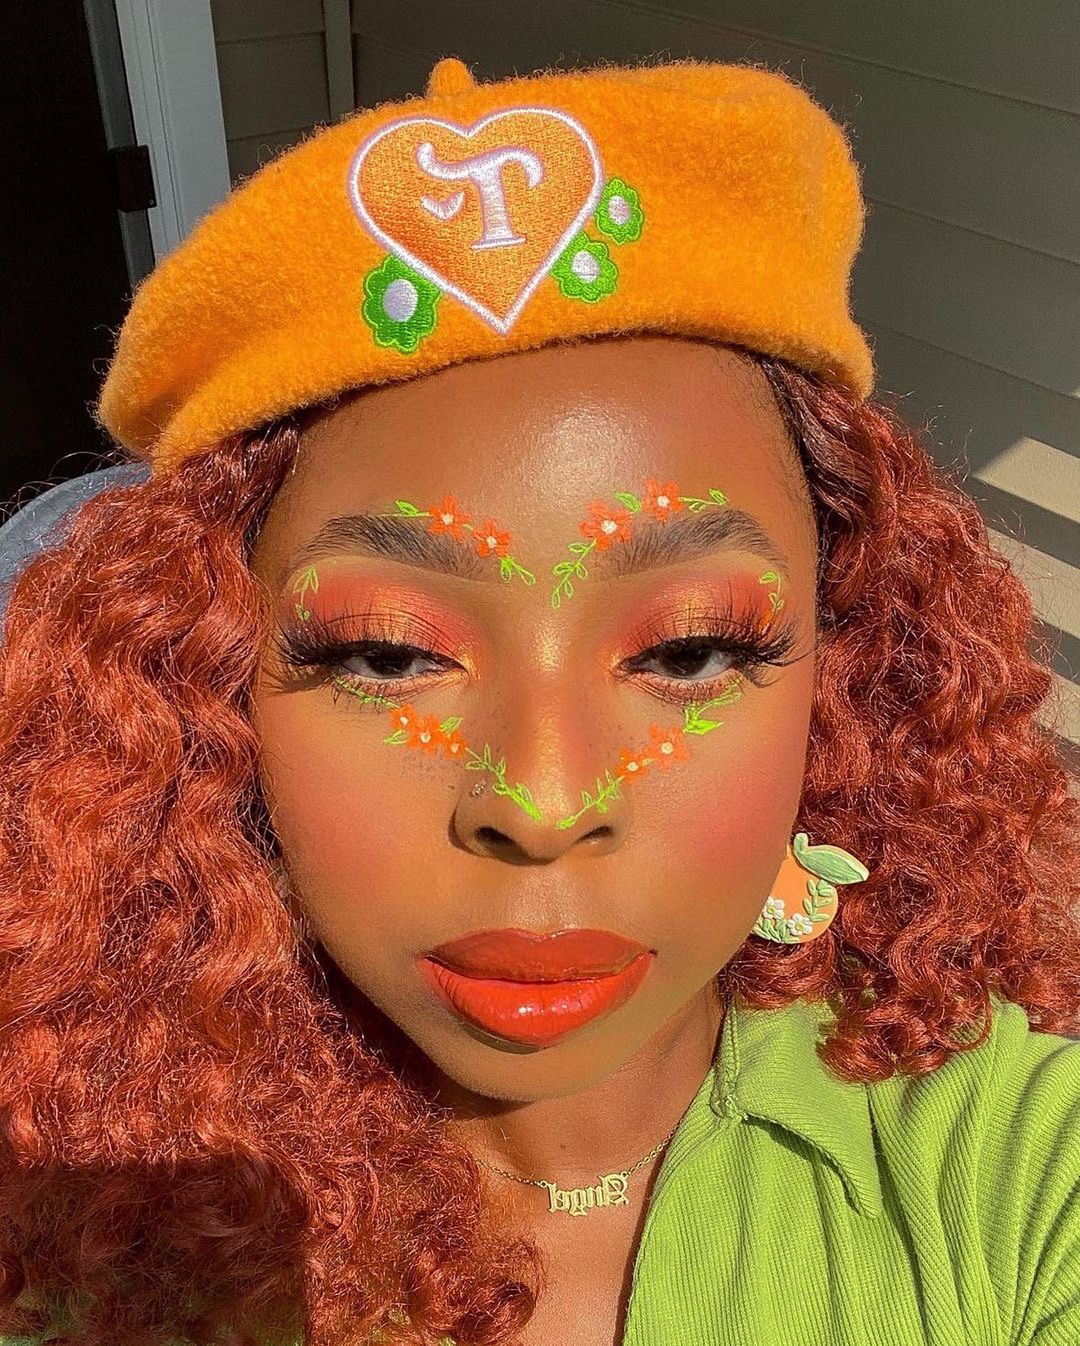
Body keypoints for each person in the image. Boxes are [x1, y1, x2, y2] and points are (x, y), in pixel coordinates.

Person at [0, 53, 1077, 1346]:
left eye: (690, 651)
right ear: (209, 700)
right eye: (387, 654)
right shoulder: (81, 1208)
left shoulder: (1021, 1166)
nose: (546, 803)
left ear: (847, 681)